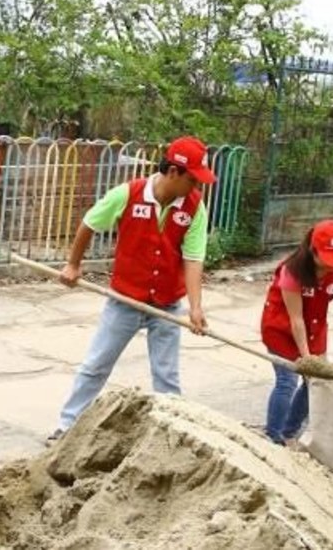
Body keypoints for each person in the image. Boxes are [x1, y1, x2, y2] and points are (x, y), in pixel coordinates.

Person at [46, 136, 216, 444]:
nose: (197, 187)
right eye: (193, 179)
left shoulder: (194, 207)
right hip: (124, 299)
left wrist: (195, 307)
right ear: (174, 173)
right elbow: (89, 223)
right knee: (96, 366)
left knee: (167, 376)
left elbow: (193, 258)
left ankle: (171, 437)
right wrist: (73, 264)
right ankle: (66, 428)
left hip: (166, 303)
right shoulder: (129, 194)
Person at [259, 218, 333, 446]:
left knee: (317, 382)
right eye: (329, 259)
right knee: (287, 381)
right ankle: (272, 437)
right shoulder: (292, 271)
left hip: (315, 329)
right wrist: (307, 358)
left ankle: (289, 433)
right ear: (313, 250)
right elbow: (295, 319)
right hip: (281, 328)